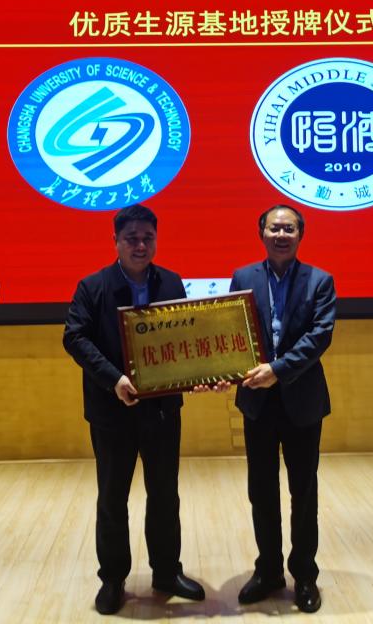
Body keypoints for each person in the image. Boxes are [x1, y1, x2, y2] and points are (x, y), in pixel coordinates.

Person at [62, 204, 205, 616]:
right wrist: (114, 379)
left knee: (165, 495)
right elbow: (75, 338)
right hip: (112, 411)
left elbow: (185, 338)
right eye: (132, 239)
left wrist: (196, 372)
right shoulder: (93, 286)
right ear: (116, 242)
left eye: (147, 238)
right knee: (112, 498)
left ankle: (166, 572)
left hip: (162, 411)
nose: (140, 245)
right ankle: (112, 578)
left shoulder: (171, 282)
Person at [230, 204, 336, 614]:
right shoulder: (243, 277)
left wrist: (277, 370)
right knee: (261, 490)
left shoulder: (320, 281)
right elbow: (232, 333)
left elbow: (319, 336)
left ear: (300, 235)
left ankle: (304, 574)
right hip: (257, 401)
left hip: (301, 400)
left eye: (288, 229)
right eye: (274, 228)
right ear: (261, 232)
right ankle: (269, 570)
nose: (281, 235)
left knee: (303, 492)